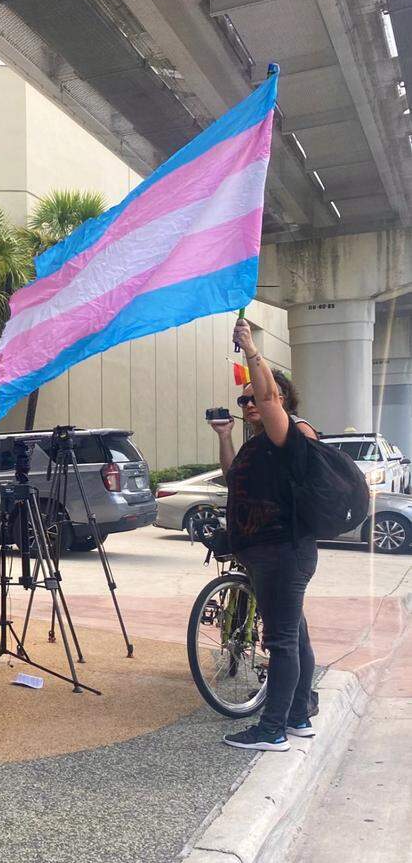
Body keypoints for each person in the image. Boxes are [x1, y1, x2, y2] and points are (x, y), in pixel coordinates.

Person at [210, 318, 320, 752]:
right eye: (244, 399)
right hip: (271, 553)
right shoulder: (259, 442)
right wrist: (225, 437)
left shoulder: (288, 432)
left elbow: (271, 395)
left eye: (255, 396)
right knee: (296, 636)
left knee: (279, 641)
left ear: (277, 398)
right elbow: (232, 475)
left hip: (282, 551)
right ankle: (298, 717)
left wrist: (250, 349)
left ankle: (272, 728)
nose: (249, 402)